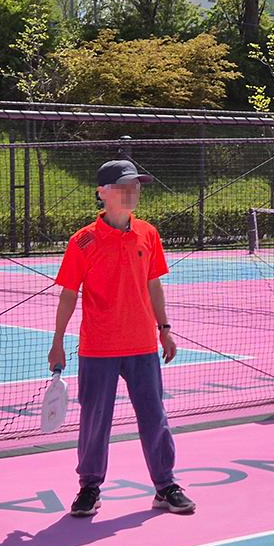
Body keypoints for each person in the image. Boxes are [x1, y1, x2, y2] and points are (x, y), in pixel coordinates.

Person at [48, 160, 195, 517]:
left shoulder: (148, 233)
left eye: (136, 186)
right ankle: (90, 488)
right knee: (95, 422)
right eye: (124, 186)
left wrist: (164, 328)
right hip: (98, 347)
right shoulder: (83, 240)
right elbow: (68, 294)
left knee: (154, 416)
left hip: (142, 345)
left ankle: (165, 486)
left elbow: (153, 284)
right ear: (102, 193)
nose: (133, 192)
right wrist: (57, 341)